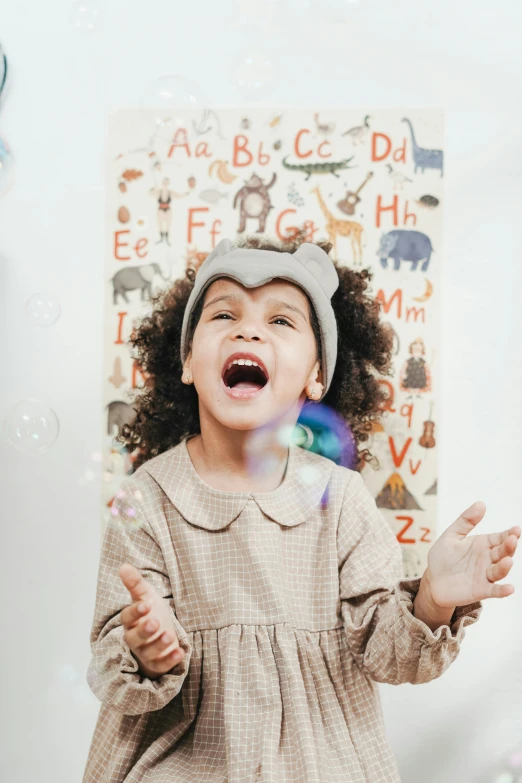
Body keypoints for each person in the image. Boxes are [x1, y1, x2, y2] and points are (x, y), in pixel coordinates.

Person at [83, 234, 520, 783]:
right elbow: (111, 659)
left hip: (321, 764)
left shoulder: (339, 499)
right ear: (189, 362)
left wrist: (432, 600)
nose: (248, 329)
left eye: (282, 321)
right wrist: (148, 648)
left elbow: (386, 652)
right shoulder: (148, 498)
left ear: (316, 376)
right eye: (223, 314)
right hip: (179, 763)